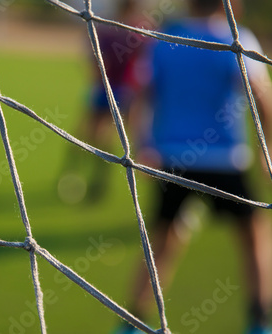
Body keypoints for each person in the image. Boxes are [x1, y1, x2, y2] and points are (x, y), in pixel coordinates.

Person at [115, 0, 272, 333]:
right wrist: (266, 149)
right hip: (227, 161)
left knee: (163, 242)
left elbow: (140, 94)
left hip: (173, 160)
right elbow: (263, 98)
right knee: (254, 239)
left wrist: (142, 145)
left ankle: (132, 322)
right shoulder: (238, 39)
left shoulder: (166, 39)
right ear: (231, 5)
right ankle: (260, 321)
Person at [57, 0, 143, 204]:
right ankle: (93, 181)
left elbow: (92, 58)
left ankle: (80, 177)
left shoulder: (108, 27)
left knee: (94, 134)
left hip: (108, 90)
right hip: (120, 91)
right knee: (111, 137)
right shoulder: (138, 30)